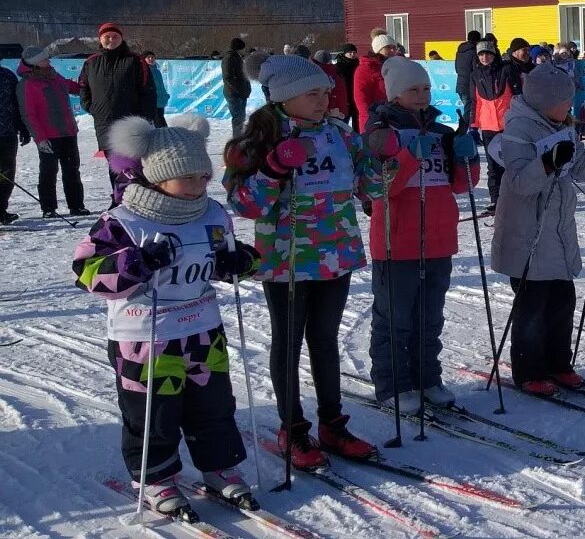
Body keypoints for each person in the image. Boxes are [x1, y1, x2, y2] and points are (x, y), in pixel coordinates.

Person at [73, 114, 260, 517]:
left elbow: (220, 260)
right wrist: (137, 262)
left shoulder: (211, 214)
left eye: (203, 177)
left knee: (213, 405)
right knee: (154, 413)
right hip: (143, 337)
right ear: (158, 176)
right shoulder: (124, 221)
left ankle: (219, 467)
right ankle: (155, 476)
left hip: (203, 331)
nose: (198, 186)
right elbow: (87, 273)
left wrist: (238, 262)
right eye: (188, 178)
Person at [224, 53, 383, 468]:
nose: (322, 99)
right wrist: (273, 169)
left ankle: (332, 423)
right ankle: (292, 429)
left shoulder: (342, 135)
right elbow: (245, 206)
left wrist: (386, 159)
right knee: (289, 341)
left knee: (326, 340)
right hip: (286, 257)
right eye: (312, 93)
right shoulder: (256, 140)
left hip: (336, 253)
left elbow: (373, 189)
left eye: (325, 91)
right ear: (285, 96)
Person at [491, 66, 585, 396]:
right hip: (528, 233)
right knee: (532, 308)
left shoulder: (563, 126)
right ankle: (529, 371)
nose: (570, 105)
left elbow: (581, 169)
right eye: (564, 100)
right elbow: (521, 183)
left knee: (562, 302)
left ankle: (559, 364)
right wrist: (547, 163)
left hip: (558, 230)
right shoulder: (518, 128)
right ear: (543, 101)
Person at [365, 57, 479, 413]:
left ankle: (427, 377)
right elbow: (379, 188)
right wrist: (408, 158)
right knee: (395, 318)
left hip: (438, 236)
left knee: (430, 316)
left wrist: (467, 157)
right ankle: (392, 385)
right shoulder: (381, 132)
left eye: (426, 88)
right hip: (396, 239)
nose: (421, 95)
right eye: (413, 89)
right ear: (395, 94)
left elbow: (463, 185)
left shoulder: (443, 132)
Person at [80, 23, 157, 204]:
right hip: (104, 122)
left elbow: (148, 91)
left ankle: (140, 199)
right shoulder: (91, 62)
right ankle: (119, 198)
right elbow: (84, 87)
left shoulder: (135, 61)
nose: (111, 39)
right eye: (107, 36)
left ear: (121, 39)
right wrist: (90, 106)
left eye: (115, 36)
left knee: (136, 164)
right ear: (100, 39)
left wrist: (145, 118)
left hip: (131, 122)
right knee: (114, 165)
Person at [17, 46, 88, 219]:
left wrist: (88, 84)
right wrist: (39, 138)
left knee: (72, 170)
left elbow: (73, 87)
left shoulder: (55, 76)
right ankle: (48, 208)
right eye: (44, 59)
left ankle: (76, 206)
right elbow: (28, 114)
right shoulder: (26, 84)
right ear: (34, 63)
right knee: (48, 173)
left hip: (68, 131)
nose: (48, 61)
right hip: (48, 136)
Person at [467, 39, 510, 215]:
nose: (485, 57)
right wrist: (474, 125)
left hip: (508, 124)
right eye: (481, 54)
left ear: (494, 54)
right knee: (493, 166)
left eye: (488, 53)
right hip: (488, 127)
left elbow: (517, 94)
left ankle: (514, 198)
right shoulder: (475, 75)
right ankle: (495, 200)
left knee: (510, 163)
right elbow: (475, 102)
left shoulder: (505, 70)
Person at [354, 33, 398, 131]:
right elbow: (361, 100)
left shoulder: (395, 67)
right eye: (388, 47)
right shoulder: (366, 68)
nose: (392, 50)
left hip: (394, 119)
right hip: (374, 122)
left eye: (394, 47)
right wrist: (373, 120)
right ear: (378, 49)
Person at [0, 61, 24, 225]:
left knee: (6, 174)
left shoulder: (7, 76)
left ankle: (1, 209)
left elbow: (18, 105)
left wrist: (23, 127)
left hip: (7, 133)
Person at [222, 38, 251, 137]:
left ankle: (240, 136)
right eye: (243, 48)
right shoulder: (229, 58)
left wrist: (246, 88)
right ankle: (237, 138)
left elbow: (242, 74)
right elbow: (227, 77)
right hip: (234, 93)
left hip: (240, 92)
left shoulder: (237, 57)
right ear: (238, 48)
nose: (244, 50)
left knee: (241, 117)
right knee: (238, 117)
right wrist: (236, 89)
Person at [334, 44, 360, 130]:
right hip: (344, 97)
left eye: (354, 52)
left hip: (356, 95)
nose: (352, 54)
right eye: (350, 52)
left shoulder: (358, 64)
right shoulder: (339, 65)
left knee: (357, 122)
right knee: (343, 123)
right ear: (345, 53)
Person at [141, 51, 169, 128]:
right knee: (157, 124)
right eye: (148, 57)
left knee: (161, 121)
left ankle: (165, 137)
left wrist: (165, 96)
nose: (151, 59)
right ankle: (161, 138)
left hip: (160, 101)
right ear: (144, 59)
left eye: (152, 57)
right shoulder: (143, 71)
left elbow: (161, 86)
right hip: (151, 101)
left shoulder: (157, 71)